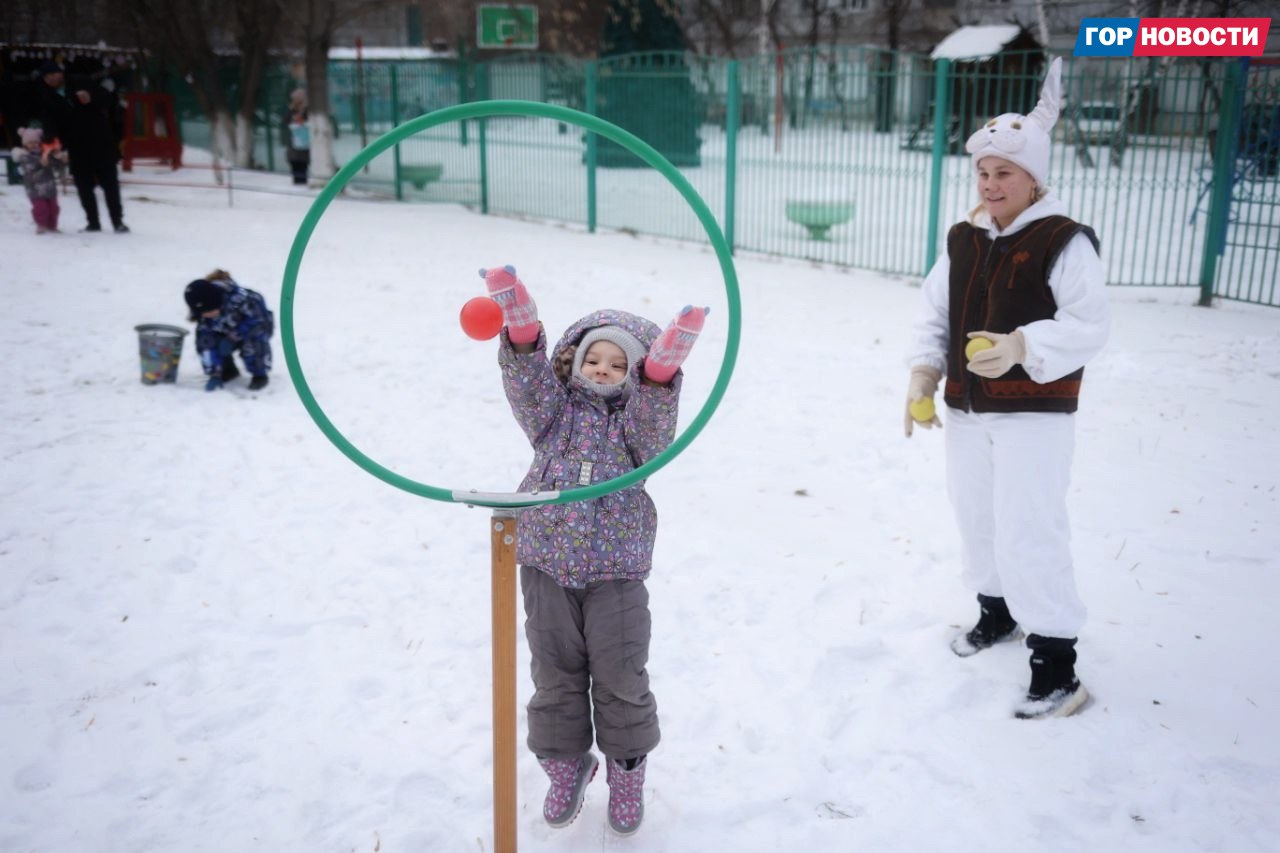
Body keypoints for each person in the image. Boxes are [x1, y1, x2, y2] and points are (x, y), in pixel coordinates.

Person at [903, 57, 1111, 720]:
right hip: (968, 408)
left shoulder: (1063, 241)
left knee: (1030, 528)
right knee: (978, 517)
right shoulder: (963, 238)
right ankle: (997, 613)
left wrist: (1025, 347)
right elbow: (935, 312)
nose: (991, 184)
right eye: (984, 172)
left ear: (1034, 178)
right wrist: (923, 373)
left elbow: (1089, 325)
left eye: (1005, 173)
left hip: (1035, 414)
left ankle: (1057, 668)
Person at [483, 264, 707, 835]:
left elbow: (656, 420)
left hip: (616, 574)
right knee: (554, 674)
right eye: (593, 359)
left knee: (621, 674)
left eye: (618, 364)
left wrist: (661, 371)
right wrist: (521, 326)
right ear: (575, 362)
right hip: (545, 567)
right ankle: (565, 766)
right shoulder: (552, 419)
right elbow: (526, 383)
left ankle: (627, 773)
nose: (603, 369)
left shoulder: (636, 435)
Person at [36, 60, 128, 233]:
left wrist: (91, 97)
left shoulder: (81, 82)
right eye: (47, 76)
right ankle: (93, 223)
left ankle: (118, 221)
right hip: (77, 147)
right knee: (84, 187)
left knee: (110, 184)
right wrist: (52, 141)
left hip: (101, 141)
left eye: (54, 74)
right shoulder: (47, 97)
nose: (51, 78)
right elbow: (49, 122)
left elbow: (107, 99)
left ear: (61, 73)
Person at [184, 270, 274, 392]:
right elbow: (204, 344)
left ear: (217, 302)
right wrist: (214, 373)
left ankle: (259, 374)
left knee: (253, 345)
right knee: (208, 340)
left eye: (209, 311)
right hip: (226, 331)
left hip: (255, 330)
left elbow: (258, 323)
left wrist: (233, 337)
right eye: (203, 313)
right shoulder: (205, 316)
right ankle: (227, 370)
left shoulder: (244, 300)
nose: (207, 315)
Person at [11, 126, 68, 233]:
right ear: (25, 144)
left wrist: (61, 160)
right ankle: (41, 224)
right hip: (34, 188)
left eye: (36, 142)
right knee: (41, 208)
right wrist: (40, 163)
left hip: (49, 186)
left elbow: (55, 166)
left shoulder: (45, 152)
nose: (34, 145)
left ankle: (52, 225)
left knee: (54, 208)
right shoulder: (24, 156)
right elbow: (28, 168)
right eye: (30, 142)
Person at [283, 88, 310, 186]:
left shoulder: (308, 109)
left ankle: (303, 181)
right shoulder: (291, 110)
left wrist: (303, 121)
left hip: (305, 142)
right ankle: (297, 181)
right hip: (294, 143)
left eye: (300, 98)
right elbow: (285, 121)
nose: (298, 101)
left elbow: (311, 121)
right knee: (295, 162)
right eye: (296, 98)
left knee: (303, 163)